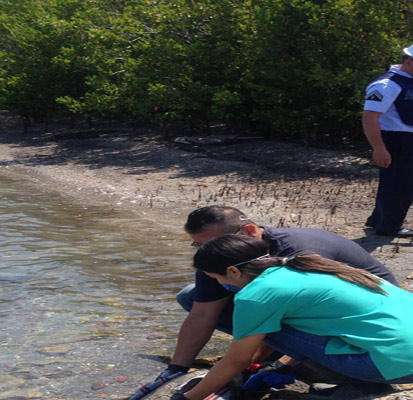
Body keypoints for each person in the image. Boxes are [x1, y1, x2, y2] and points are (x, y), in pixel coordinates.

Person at [126, 206, 399, 398]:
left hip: (379, 347)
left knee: (267, 325)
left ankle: (351, 375)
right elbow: (201, 314)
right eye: (199, 246)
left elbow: (244, 353)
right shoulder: (267, 263)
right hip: (391, 324)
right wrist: (176, 369)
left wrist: (267, 364)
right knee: (191, 295)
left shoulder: (298, 255)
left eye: (211, 244)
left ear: (248, 231)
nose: (206, 251)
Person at [170, 234, 413, 400]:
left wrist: (189, 397)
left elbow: (236, 361)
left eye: (216, 278)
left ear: (232, 271)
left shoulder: (256, 295)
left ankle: (364, 385)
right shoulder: (308, 263)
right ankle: (356, 381)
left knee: (269, 326)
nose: (219, 284)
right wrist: (281, 364)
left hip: (393, 365)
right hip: (401, 355)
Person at [362, 44, 413, 236]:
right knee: (398, 184)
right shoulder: (387, 85)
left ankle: (378, 219)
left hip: (407, 138)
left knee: (401, 182)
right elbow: (369, 117)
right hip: (396, 139)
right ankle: (389, 226)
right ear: (408, 62)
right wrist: (379, 148)